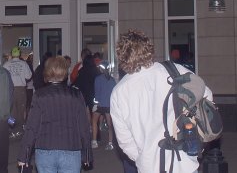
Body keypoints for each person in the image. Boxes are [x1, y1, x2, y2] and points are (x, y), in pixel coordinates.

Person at [111, 29, 212, 173]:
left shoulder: (119, 91)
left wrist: (143, 156)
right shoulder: (173, 70)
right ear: (149, 48)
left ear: (121, 56)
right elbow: (206, 95)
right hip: (184, 162)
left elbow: (125, 141)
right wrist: (189, 123)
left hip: (149, 165)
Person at [17, 56, 92, 173]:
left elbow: (31, 127)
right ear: (65, 72)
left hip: (45, 150)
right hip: (71, 148)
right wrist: (87, 155)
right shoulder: (76, 95)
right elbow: (84, 127)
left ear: (47, 72)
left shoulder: (40, 95)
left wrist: (24, 156)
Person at [3, 46, 32, 137]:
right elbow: (28, 76)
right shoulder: (24, 64)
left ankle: (11, 129)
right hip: (21, 90)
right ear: (19, 54)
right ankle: (20, 129)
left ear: (11, 54)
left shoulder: (6, 64)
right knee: (21, 110)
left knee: (11, 110)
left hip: (10, 89)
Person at [92, 61, 116, 150]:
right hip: (109, 105)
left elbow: (97, 93)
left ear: (101, 69)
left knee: (94, 121)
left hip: (100, 105)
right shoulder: (112, 80)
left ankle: (94, 141)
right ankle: (110, 143)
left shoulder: (98, 79)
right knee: (110, 125)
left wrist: (95, 104)